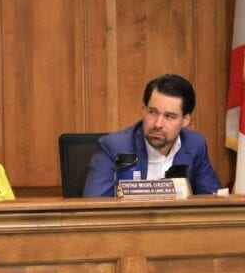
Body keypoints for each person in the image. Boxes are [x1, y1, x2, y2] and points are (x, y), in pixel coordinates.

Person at [82, 74, 221, 197]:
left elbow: (214, 203)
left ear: (186, 120)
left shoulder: (195, 145)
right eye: (152, 112)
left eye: (169, 116)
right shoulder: (114, 147)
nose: (158, 124)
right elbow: (93, 208)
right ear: (144, 110)